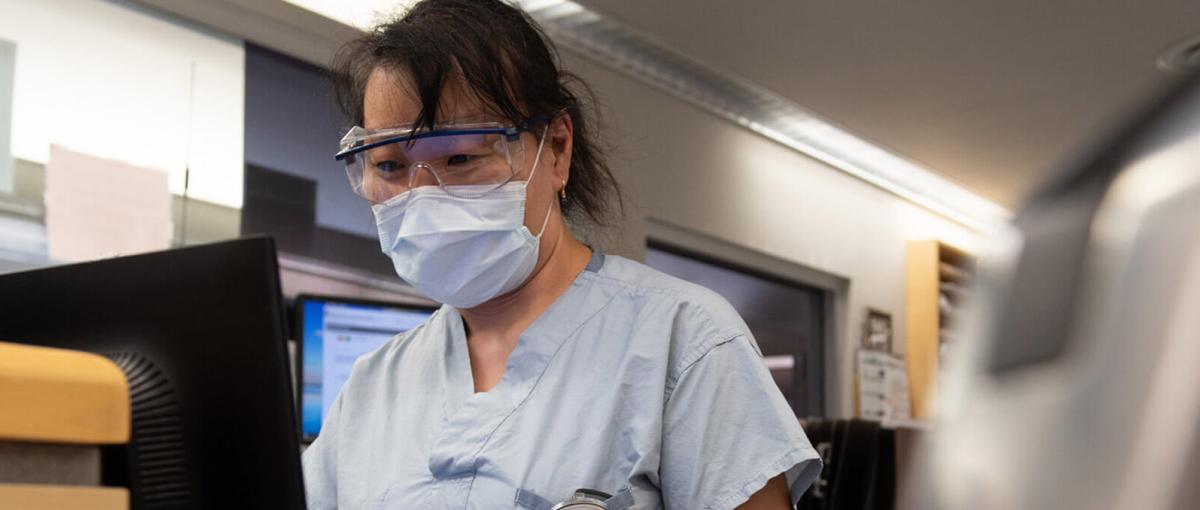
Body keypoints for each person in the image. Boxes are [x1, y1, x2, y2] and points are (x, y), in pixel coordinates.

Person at [301, 0, 821, 508]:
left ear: (556, 148)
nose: (423, 196)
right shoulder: (373, 386)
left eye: (460, 157)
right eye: (389, 166)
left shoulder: (684, 342)